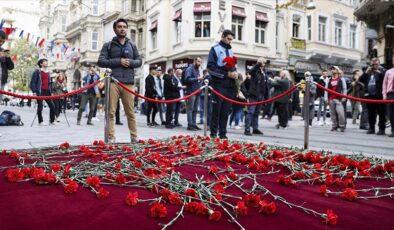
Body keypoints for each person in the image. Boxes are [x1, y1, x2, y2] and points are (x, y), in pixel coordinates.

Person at [98, 18, 142, 143]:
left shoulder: (132, 45)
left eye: (124, 27)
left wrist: (131, 62)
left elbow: (139, 61)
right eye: (119, 27)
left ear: (127, 29)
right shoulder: (108, 45)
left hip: (129, 82)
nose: (122, 29)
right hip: (113, 82)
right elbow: (101, 61)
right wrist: (119, 61)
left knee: (130, 112)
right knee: (110, 111)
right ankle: (111, 137)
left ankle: (134, 136)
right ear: (115, 29)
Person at [207, 29, 237, 139]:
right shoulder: (214, 49)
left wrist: (235, 73)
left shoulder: (231, 51)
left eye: (231, 40)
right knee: (216, 111)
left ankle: (223, 134)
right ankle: (213, 134)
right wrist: (226, 74)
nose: (230, 41)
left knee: (225, 112)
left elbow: (233, 66)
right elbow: (210, 68)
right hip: (218, 85)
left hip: (229, 86)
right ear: (223, 37)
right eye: (228, 39)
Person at [359, 58, 386, 135]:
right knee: (371, 113)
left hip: (379, 96)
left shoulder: (383, 70)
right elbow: (360, 80)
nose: (374, 66)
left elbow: (386, 79)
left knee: (381, 113)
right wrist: (366, 72)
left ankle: (381, 129)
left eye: (376, 64)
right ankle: (371, 128)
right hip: (369, 96)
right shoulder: (368, 72)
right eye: (373, 65)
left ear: (379, 64)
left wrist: (380, 73)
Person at [243, 57, 269, 136]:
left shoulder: (263, 72)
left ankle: (255, 128)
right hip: (253, 94)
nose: (263, 64)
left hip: (260, 95)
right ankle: (247, 129)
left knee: (256, 112)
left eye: (264, 63)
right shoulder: (255, 70)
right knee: (251, 111)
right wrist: (258, 64)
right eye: (262, 62)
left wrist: (266, 95)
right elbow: (251, 72)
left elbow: (265, 84)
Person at [30, 59, 56, 126]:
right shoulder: (37, 72)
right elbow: (33, 82)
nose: (46, 63)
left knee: (52, 106)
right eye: (45, 62)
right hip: (40, 91)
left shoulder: (48, 72)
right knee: (40, 107)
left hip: (47, 91)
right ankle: (40, 121)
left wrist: (52, 91)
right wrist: (34, 91)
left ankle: (52, 120)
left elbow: (50, 83)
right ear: (41, 64)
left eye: (47, 62)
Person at [184, 57, 203, 131]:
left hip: (197, 91)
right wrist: (198, 78)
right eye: (198, 61)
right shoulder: (190, 69)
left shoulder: (197, 69)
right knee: (190, 109)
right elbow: (187, 79)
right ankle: (190, 125)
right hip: (191, 91)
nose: (199, 63)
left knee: (195, 109)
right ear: (194, 61)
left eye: (200, 62)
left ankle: (194, 124)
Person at [327, 66, 347, 132]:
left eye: (334, 69)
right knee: (332, 114)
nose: (332, 70)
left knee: (341, 113)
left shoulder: (341, 79)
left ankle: (342, 126)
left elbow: (344, 89)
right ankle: (334, 126)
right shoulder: (329, 79)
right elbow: (326, 89)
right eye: (331, 69)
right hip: (331, 99)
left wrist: (344, 97)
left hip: (338, 99)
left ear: (337, 70)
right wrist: (326, 99)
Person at [0, 30, 14, 104]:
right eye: (0, 41)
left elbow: (11, 67)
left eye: (3, 41)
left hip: (2, 80)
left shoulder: (3, 51)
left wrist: (8, 57)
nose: (1, 43)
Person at [382, 57, 394, 137]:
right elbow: (384, 84)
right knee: (391, 113)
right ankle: (393, 130)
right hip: (391, 94)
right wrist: (384, 94)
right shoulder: (388, 72)